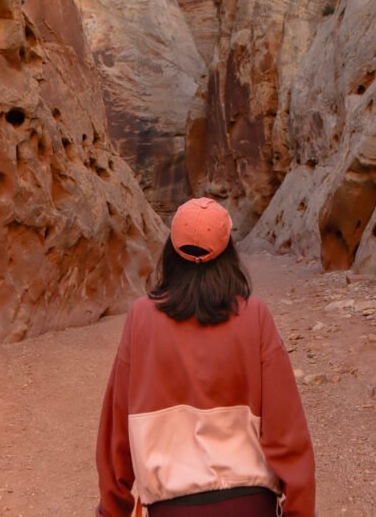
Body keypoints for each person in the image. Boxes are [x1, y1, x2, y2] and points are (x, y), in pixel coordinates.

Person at [95, 196, 316, 517]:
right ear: (229, 256)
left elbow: (117, 431)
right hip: (250, 507)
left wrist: (112, 510)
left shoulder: (141, 317)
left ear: (170, 253)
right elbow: (287, 431)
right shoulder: (255, 316)